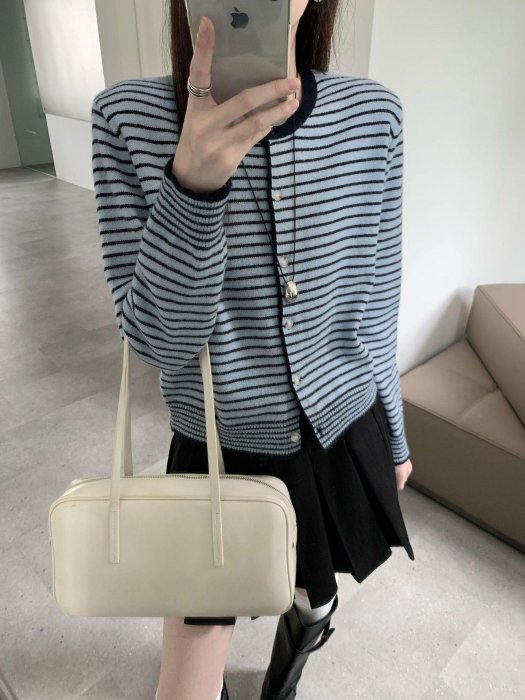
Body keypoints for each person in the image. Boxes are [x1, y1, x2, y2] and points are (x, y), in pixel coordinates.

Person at [91, 0, 415, 698]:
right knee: (186, 678)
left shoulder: (373, 117)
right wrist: (192, 186)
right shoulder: (127, 118)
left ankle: (291, 658)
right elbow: (158, 342)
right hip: (216, 447)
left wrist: (394, 436)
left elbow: (376, 306)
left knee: (311, 591)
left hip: (340, 431)